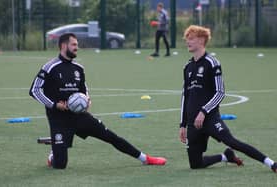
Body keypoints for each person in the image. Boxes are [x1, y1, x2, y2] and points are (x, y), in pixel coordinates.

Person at [29, 33, 166, 169]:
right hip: (58, 120)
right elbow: (34, 90)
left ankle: (145, 158)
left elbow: (84, 89)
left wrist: (87, 100)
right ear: (64, 46)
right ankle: (55, 149)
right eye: (74, 44)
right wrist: (54, 105)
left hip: (78, 116)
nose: (77, 47)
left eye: (77, 44)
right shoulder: (50, 67)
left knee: (110, 136)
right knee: (60, 165)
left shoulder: (78, 69)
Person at [179, 25, 277, 172]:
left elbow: (220, 92)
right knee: (195, 164)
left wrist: (204, 111)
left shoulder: (212, 63)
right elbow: (185, 96)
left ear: (201, 40)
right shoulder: (187, 67)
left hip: (210, 118)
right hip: (193, 122)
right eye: (187, 38)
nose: (188, 41)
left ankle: (271, 163)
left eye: (191, 38)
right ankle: (225, 157)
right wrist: (182, 124)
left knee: (232, 142)